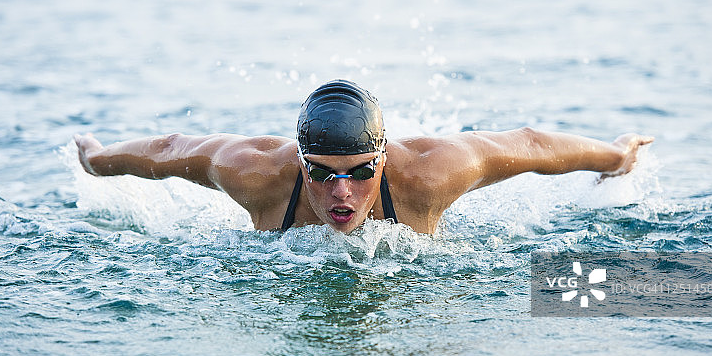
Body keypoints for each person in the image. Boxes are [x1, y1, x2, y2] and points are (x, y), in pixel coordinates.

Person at [74, 79, 653, 235]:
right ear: (300, 164)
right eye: (322, 176)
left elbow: (529, 146)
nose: (340, 194)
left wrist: (615, 158)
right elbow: (171, 150)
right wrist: (98, 160)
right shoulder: (255, 172)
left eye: (358, 175)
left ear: (383, 161)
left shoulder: (429, 172)